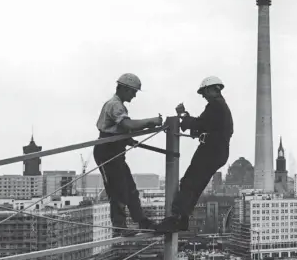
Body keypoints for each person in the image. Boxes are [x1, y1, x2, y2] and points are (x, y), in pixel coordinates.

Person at [157, 76, 233, 232]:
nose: (203, 96)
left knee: (189, 182)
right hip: (218, 151)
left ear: (212, 90)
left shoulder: (215, 106)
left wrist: (183, 117)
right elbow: (204, 124)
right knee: (196, 185)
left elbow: (200, 124)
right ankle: (182, 219)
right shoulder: (220, 107)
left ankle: (177, 218)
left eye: (204, 92)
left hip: (210, 150)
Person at [95, 73, 162, 235]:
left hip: (115, 150)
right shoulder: (115, 105)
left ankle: (141, 221)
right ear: (124, 89)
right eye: (133, 91)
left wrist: (130, 139)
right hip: (107, 151)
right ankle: (120, 227)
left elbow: (122, 129)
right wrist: (150, 121)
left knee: (130, 189)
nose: (134, 95)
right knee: (117, 190)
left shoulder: (117, 105)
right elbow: (126, 124)